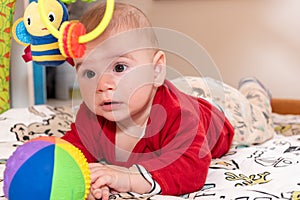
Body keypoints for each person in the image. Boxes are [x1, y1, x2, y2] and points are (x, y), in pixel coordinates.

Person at [62, 2, 273, 200]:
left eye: (119, 68)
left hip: (221, 110)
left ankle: (254, 89)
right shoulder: (92, 117)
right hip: (176, 89)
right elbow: (69, 153)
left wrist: (128, 178)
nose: (102, 84)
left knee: (258, 117)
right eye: (89, 72)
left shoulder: (180, 117)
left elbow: (190, 168)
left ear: (156, 70)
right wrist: (85, 181)